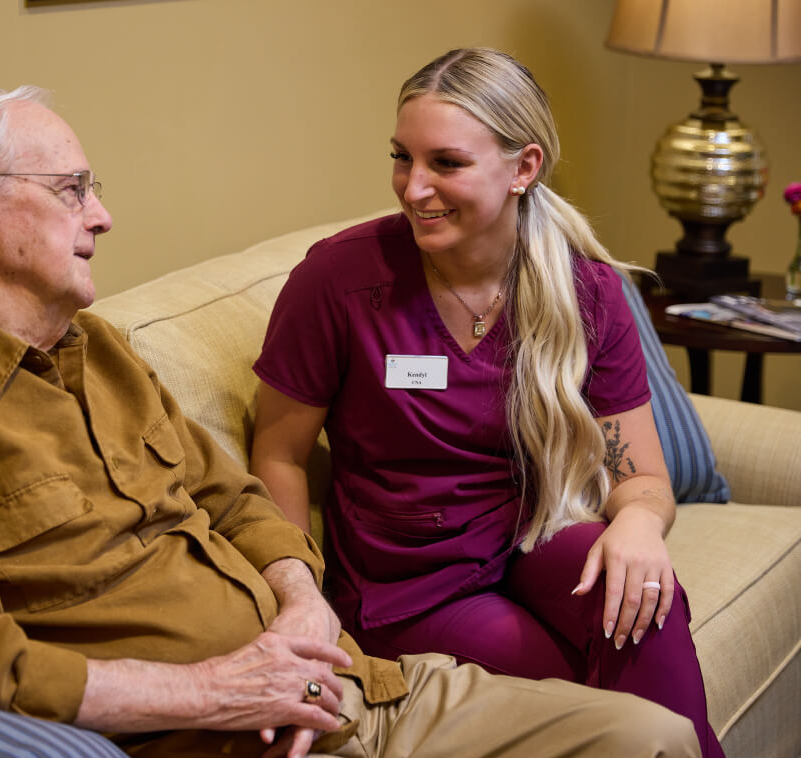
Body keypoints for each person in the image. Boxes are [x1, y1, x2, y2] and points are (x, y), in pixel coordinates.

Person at [0, 84, 701, 758]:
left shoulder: (102, 352)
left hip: (353, 681)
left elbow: (236, 499)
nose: (103, 216)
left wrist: (303, 608)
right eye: (73, 189)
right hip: (245, 731)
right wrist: (215, 691)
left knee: (654, 738)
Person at [250, 47, 723, 758]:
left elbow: (642, 477)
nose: (414, 188)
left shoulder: (587, 290)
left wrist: (637, 524)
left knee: (645, 598)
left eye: (446, 163)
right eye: (402, 158)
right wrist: (301, 594)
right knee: (594, 699)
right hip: (409, 579)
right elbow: (279, 455)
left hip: (530, 534)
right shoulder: (339, 280)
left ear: (523, 167)